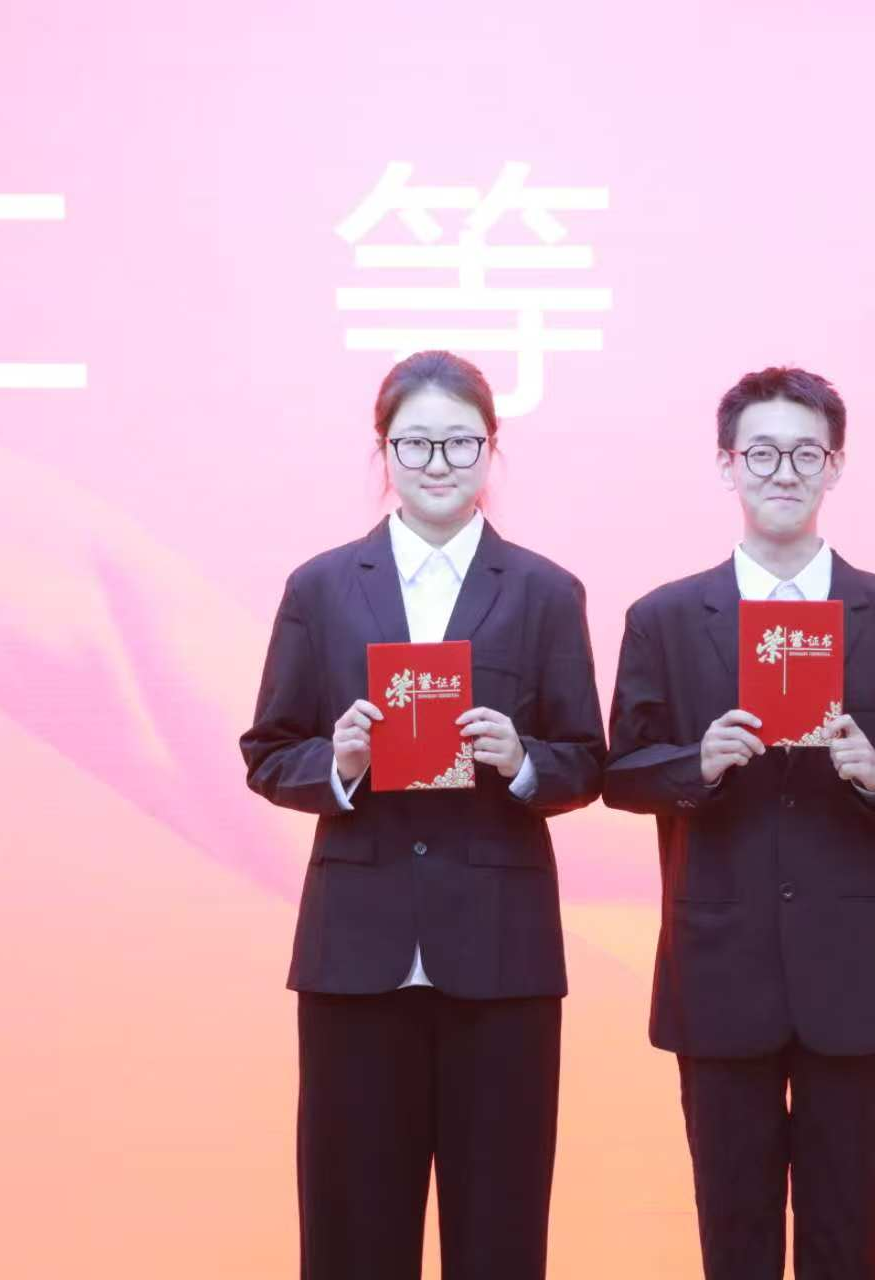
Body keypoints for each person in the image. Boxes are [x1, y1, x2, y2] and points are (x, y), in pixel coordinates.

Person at [239, 350, 606, 1280]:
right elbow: (269, 752)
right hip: (357, 955)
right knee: (352, 1231)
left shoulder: (545, 591)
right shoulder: (323, 587)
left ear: (492, 449)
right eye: (416, 443)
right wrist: (340, 763)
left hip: (502, 956)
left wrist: (522, 760)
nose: (438, 462)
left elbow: (586, 760)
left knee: (500, 1230)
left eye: (459, 442)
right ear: (384, 450)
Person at [603, 366, 875, 1279]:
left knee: (847, 1235)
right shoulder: (665, 618)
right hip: (719, 970)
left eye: (806, 454)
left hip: (853, 974)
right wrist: (697, 764)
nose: (783, 472)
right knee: (735, 1235)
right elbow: (619, 774)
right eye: (762, 453)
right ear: (727, 464)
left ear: (835, 466)